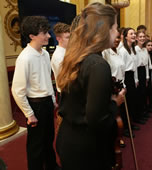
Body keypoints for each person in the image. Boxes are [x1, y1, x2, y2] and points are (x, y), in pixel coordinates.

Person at [55, 3, 125, 170]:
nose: (117, 33)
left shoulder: (75, 56)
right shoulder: (98, 65)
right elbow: (97, 121)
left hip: (68, 138)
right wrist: (116, 102)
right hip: (86, 148)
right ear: (104, 31)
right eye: (115, 27)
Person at [11, 16, 59, 170]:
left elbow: (47, 80)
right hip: (35, 106)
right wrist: (29, 114)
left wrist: (52, 100)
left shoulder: (45, 54)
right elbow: (17, 90)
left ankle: (51, 166)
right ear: (32, 36)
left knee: (48, 140)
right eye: (44, 33)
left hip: (47, 104)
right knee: (35, 146)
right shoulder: (24, 58)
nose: (49, 36)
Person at [51, 22, 70, 97]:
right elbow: (64, 80)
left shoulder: (68, 51)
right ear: (58, 38)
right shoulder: (59, 56)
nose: (71, 39)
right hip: (65, 93)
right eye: (67, 37)